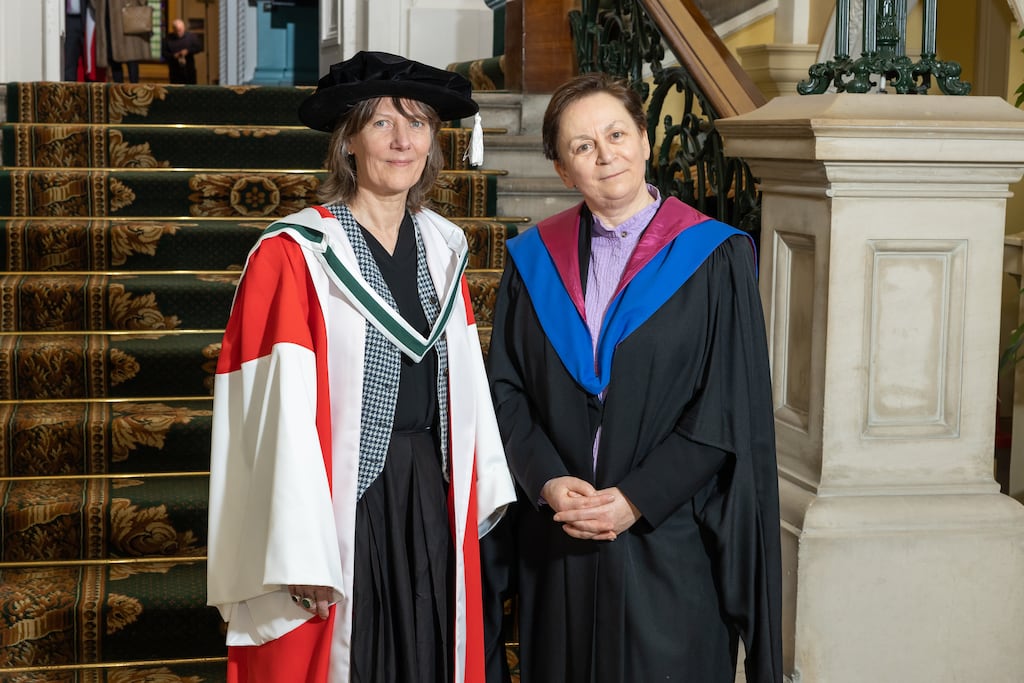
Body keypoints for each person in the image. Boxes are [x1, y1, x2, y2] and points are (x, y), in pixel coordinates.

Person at [206, 50, 516, 683]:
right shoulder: (296, 253)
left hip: (430, 486)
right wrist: (298, 545)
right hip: (343, 498)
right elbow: (277, 412)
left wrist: (477, 484)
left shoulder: (443, 246)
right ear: (347, 140)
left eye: (418, 124)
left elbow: (466, 384)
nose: (403, 141)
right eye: (381, 123)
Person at [487, 71, 783, 682]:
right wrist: (546, 481)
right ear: (563, 170)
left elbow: (727, 406)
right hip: (562, 544)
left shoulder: (713, 257)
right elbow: (506, 390)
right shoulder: (532, 261)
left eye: (617, 134)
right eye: (582, 146)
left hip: (668, 539)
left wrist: (636, 500)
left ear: (646, 140)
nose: (605, 155)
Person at [92, 0, 150, 83]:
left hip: (127, 12)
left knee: (131, 56)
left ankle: (134, 88)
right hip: (106, 11)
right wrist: (96, 5)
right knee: (113, 55)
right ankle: (118, 88)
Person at [162, 18, 201, 84]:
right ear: (173, 29)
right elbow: (163, 53)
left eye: (180, 30)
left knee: (191, 88)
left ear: (184, 28)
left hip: (189, 70)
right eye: (177, 31)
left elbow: (199, 47)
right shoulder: (168, 38)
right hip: (175, 71)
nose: (178, 32)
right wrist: (173, 56)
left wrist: (188, 51)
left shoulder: (191, 37)